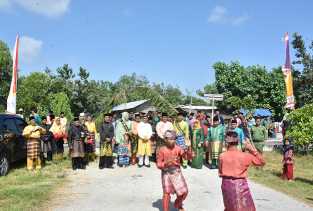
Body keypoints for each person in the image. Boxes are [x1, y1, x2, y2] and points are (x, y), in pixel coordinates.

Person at [219, 131, 265, 211]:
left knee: (230, 207)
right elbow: (261, 162)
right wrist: (252, 150)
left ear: (226, 143)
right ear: (238, 142)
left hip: (226, 185)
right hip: (240, 186)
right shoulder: (245, 156)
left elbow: (220, 171)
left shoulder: (222, 156)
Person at [157, 130, 189, 211]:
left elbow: (186, 157)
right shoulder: (161, 150)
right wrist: (166, 163)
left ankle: (177, 204)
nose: (173, 140)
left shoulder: (178, 148)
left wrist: (188, 152)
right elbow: (158, 164)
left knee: (184, 192)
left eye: (174, 139)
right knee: (166, 194)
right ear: (165, 139)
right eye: (170, 139)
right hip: (166, 173)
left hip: (176, 172)